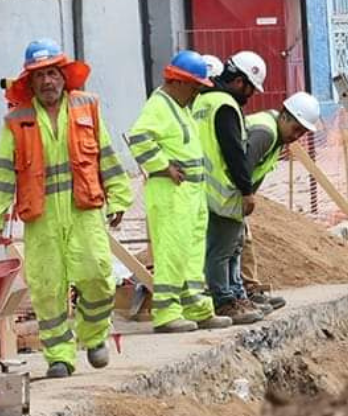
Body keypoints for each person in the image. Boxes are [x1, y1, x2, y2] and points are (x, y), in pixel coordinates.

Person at [0, 39, 132, 378]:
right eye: (39, 76)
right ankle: (59, 357)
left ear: (63, 76)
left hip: (84, 212)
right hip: (41, 219)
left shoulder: (86, 107)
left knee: (97, 277)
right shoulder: (17, 121)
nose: (47, 81)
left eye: (52, 73)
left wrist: (118, 197)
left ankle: (93, 336)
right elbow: (3, 173)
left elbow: (106, 155)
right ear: (30, 82)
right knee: (47, 289)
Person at [128, 51, 233, 333]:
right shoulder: (160, 106)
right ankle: (166, 313)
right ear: (180, 82)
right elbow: (138, 138)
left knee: (191, 254)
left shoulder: (180, 106)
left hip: (190, 193)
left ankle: (197, 307)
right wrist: (163, 167)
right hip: (171, 192)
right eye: (195, 86)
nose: (197, 92)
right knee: (173, 253)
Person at [195, 51, 268, 324]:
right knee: (223, 248)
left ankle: (231, 295)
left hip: (198, 187)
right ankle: (224, 301)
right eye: (250, 89)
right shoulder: (225, 105)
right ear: (240, 81)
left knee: (217, 247)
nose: (249, 97)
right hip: (222, 190)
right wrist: (246, 189)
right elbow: (234, 151)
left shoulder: (201, 100)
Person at [241, 91, 321, 311]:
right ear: (285, 116)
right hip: (227, 194)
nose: (297, 136)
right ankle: (238, 294)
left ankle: (248, 290)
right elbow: (242, 167)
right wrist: (245, 195)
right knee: (231, 244)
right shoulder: (265, 132)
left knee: (242, 240)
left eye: (302, 133)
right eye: (296, 129)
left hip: (234, 195)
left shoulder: (276, 136)